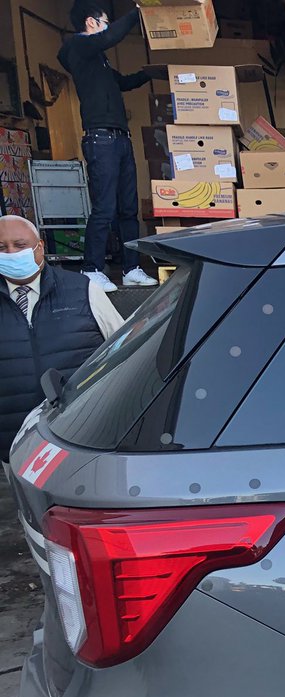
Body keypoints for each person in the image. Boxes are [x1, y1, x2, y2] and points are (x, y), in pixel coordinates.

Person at [0, 215, 124, 461]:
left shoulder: (84, 290)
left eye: (19, 245)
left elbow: (123, 349)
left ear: (40, 247)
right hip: (11, 447)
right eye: (2, 248)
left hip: (83, 437)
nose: (11, 253)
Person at [58, 5, 161, 293]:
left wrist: (152, 73)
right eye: (105, 22)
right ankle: (91, 269)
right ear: (91, 22)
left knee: (129, 209)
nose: (108, 27)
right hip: (100, 139)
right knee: (105, 207)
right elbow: (108, 38)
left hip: (120, 138)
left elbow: (124, 83)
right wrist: (137, 12)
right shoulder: (78, 47)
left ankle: (131, 268)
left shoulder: (98, 61)